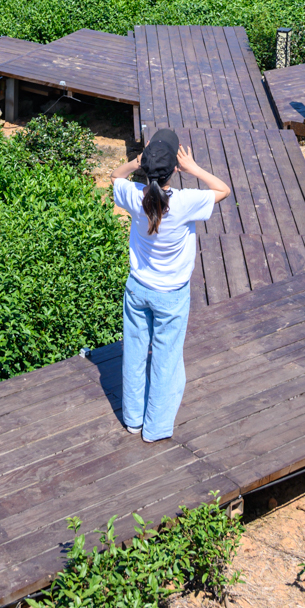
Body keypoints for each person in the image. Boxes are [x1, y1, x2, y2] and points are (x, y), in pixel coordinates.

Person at [110, 128, 231, 442]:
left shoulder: (135, 194)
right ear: (174, 169)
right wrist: (193, 168)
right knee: (166, 358)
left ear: (147, 165)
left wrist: (136, 162)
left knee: (135, 353)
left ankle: (133, 420)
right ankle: (155, 429)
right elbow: (223, 189)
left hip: (137, 288)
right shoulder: (185, 202)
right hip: (171, 296)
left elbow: (114, 176)